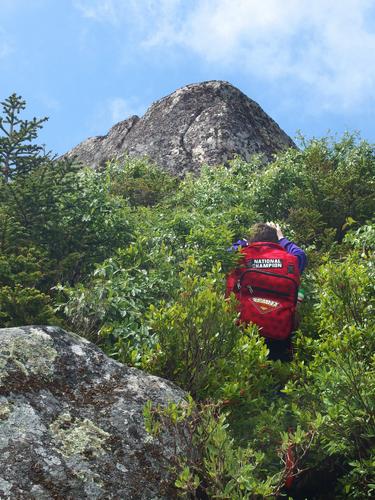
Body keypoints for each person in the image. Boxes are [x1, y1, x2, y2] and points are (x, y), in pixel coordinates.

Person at [227, 222, 307, 361]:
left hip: (244, 330)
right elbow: (301, 254)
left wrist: (245, 241)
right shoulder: (291, 261)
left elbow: (225, 252)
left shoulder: (241, 256)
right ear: (275, 241)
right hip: (280, 333)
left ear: (252, 241)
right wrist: (282, 238)